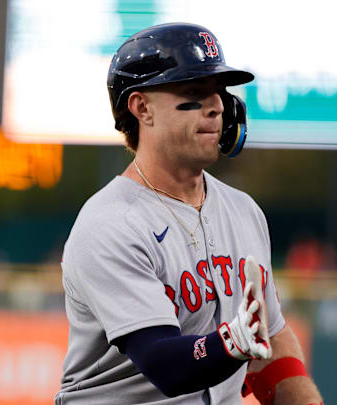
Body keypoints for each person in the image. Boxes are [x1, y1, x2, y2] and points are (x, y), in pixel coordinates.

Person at [55, 23, 322, 405]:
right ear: (141, 107)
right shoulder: (110, 223)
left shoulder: (243, 211)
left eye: (218, 92)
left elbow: (271, 345)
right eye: (194, 92)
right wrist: (232, 342)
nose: (216, 106)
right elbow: (165, 364)